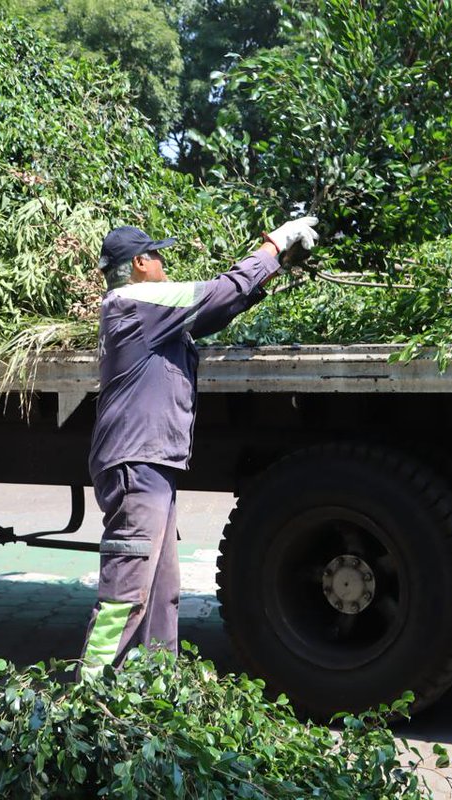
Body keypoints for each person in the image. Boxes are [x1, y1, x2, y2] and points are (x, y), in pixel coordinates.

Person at [79, 216, 319, 675]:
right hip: (136, 464)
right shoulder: (137, 301)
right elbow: (219, 291)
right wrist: (274, 243)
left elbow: (218, 309)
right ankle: (84, 700)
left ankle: (154, 691)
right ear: (141, 262)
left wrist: (275, 269)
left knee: (162, 592)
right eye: (160, 256)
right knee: (127, 589)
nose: (166, 264)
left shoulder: (143, 310)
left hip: (150, 463)